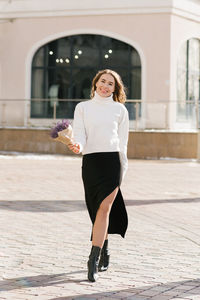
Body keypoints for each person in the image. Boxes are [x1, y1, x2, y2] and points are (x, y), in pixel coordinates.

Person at [68, 69, 129, 282]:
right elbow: (79, 133)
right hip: (91, 163)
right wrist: (78, 145)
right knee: (96, 212)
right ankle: (104, 247)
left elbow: (123, 143)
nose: (105, 86)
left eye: (110, 83)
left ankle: (92, 260)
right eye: (102, 81)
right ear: (95, 84)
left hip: (112, 163)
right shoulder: (83, 107)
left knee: (104, 208)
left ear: (115, 88)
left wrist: (123, 168)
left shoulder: (119, 110)